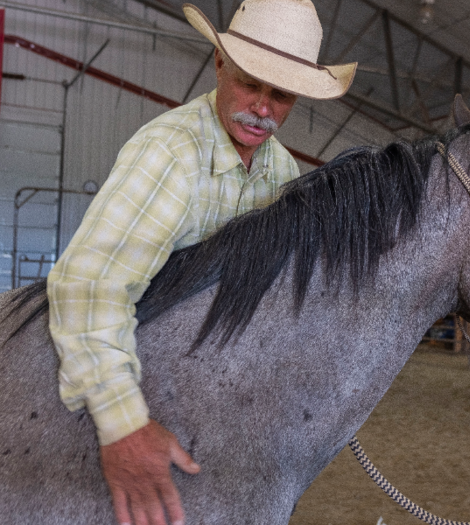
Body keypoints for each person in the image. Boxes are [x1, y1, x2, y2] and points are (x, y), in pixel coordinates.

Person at [46, 2, 356, 524]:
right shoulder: (169, 153)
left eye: (280, 94)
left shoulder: (280, 169)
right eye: (250, 83)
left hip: (206, 391)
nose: (261, 108)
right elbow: (89, 287)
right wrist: (122, 425)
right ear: (219, 64)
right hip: (139, 377)